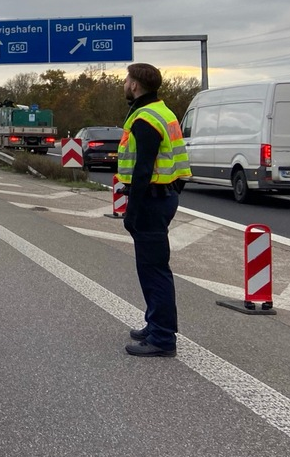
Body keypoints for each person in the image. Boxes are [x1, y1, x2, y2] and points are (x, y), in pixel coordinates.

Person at [117, 63, 192, 357]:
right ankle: (154, 323)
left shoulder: (145, 118)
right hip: (163, 196)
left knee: (154, 270)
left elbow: (143, 168)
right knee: (152, 267)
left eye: (127, 79)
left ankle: (162, 338)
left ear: (135, 85)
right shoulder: (163, 111)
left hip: (151, 200)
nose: (125, 83)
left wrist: (131, 212)